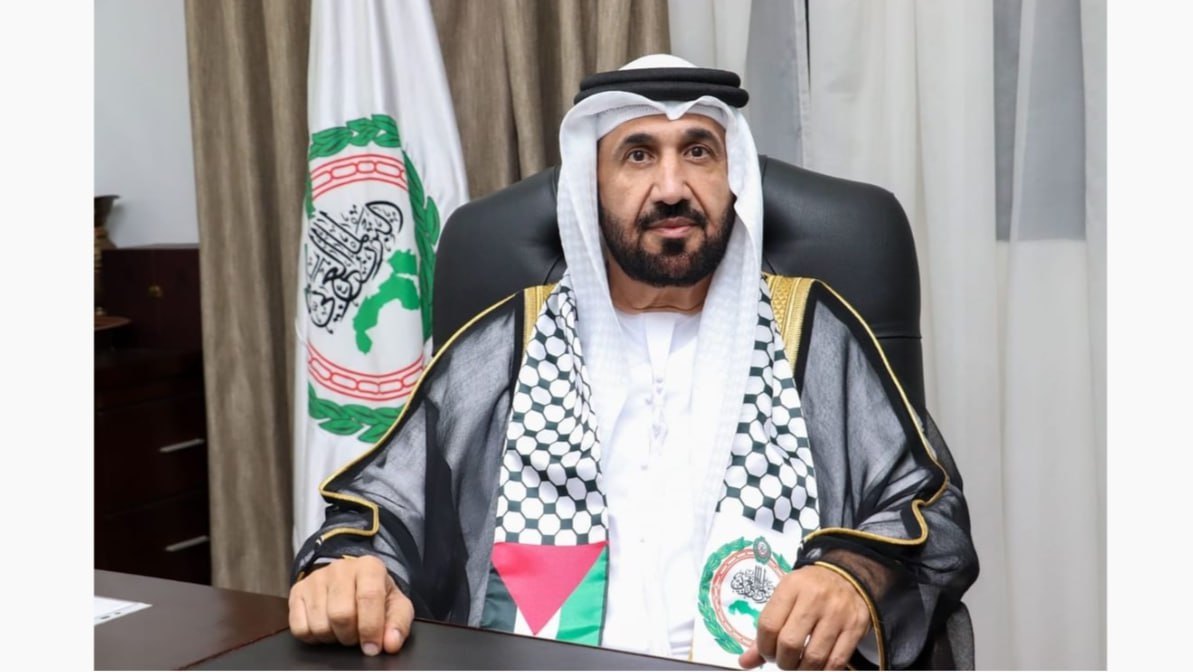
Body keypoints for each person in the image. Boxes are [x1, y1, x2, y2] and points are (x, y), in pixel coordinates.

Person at [288, 54, 978, 670]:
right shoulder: (508, 344)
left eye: (699, 152)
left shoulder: (810, 330)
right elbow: (385, 510)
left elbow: (928, 508)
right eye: (639, 155)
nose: (672, 187)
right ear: (590, 187)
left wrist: (852, 576)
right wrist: (351, 570)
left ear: (733, 178)